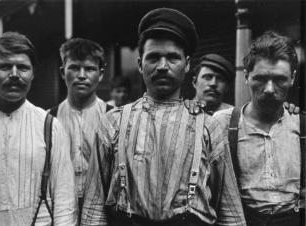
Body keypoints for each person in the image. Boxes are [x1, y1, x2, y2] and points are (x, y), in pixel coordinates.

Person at [81, 8, 246, 226]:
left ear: (187, 64)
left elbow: (230, 213)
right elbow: (93, 209)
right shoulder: (113, 123)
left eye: (172, 58)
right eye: (153, 57)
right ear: (140, 64)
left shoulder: (208, 126)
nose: (162, 66)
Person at [0, 32, 77, 225]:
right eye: (5, 66)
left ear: (33, 73)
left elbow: (65, 201)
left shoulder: (50, 126)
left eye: (23, 67)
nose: (14, 74)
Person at [213, 31, 305, 226]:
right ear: (246, 76)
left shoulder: (302, 125)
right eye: (261, 78)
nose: (270, 89)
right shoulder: (222, 123)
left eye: (280, 79)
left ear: (293, 78)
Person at [48, 38, 112, 221]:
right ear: (62, 72)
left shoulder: (114, 118)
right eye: (74, 68)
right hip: (60, 209)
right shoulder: (49, 119)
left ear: (100, 74)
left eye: (90, 69)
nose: (82, 75)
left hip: (102, 211)